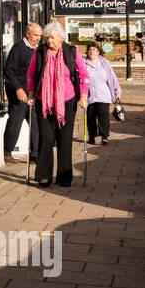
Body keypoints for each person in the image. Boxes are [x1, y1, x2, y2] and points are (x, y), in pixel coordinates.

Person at [19, 21, 88, 187]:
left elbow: (84, 75)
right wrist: (31, 95)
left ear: (61, 37)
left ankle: (64, 177)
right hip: (44, 102)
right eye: (47, 37)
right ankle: (44, 176)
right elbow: (31, 75)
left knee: (64, 139)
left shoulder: (72, 52)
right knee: (46, 138)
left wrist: (83, 96)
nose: (49, 41)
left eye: (52, 37)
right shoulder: (40, 52)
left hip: (67, 101)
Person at [2, 21, 42, 162]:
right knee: (15, 122)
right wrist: (18, 88)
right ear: (28, 33)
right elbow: (9, 71)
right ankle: (7, 152)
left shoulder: (37, 49)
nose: (38, 38)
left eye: (40, 36)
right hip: (19, 92)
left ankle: (35, 154)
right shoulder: (18, 48)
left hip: (32, 93)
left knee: (36, 123)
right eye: (36, 35)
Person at [83, 42, 121, 144]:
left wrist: (117, 92)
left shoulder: (104, 63)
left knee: (103, 117)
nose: (91, 52)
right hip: (89, 95)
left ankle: (104, 136)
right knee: (90, 118)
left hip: (103, 94)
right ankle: (92, 137)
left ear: (98, 52)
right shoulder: (83, 63)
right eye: (90, 50)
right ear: (87, 51)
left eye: (94, 50)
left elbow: (113, 77)